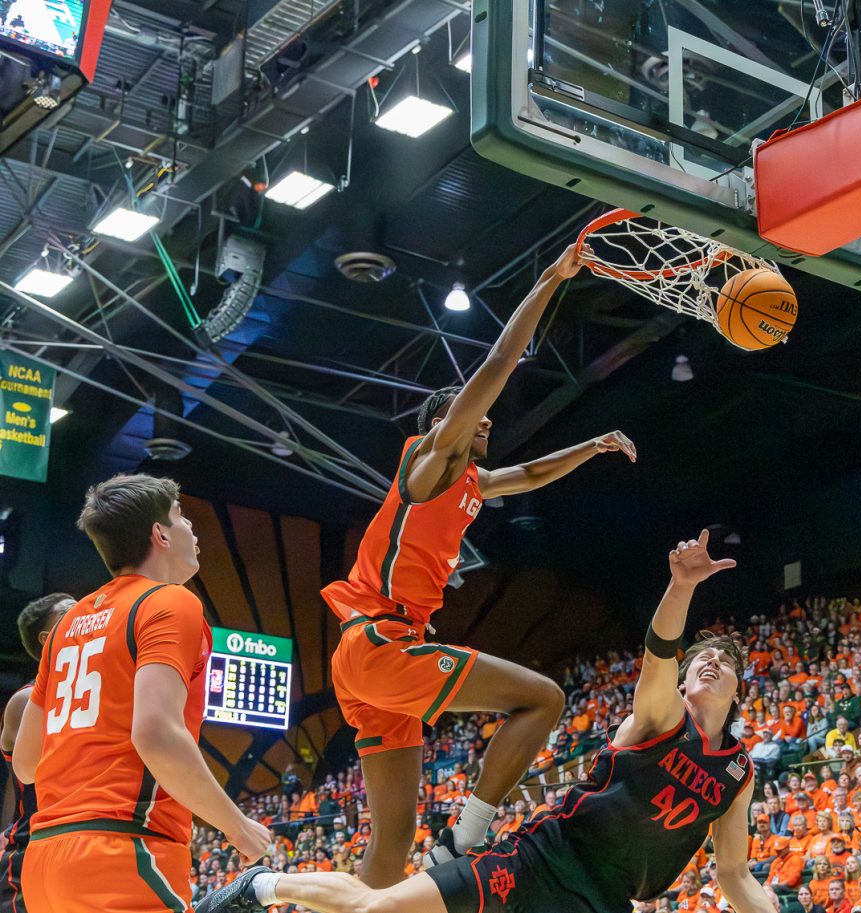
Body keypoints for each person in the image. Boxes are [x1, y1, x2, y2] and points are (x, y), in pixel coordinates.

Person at [198, 531, 779, 913]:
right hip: (539, 858)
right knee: (379, 908)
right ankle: (260, 885)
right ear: (684, 679)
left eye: (725, 662)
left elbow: (732, 871)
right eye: (702, 657)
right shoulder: (663, 717)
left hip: (603, 901)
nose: (711, 663)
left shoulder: (737, 773)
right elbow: (659, 653)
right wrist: (680, 587)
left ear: (738, 690)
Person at [319, 245, 639, 886]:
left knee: (390, 844)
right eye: (469, 411)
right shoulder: (429, 463)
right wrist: (548, 281)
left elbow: (532, 473)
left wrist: (594, 444)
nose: (485, 417)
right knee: (543, 699)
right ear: (445, 422)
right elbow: (497, 363)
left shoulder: (471, 481)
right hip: (379, 643)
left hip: (369, 654)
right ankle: (465, 838)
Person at [12, 474, 272, 913]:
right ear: (161, 534)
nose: (191, 527)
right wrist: (238, 826)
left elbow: (26, 763)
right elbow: (155, 734)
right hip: (124, 851)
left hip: (45, 861)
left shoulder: (67, 626)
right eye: (181, 515)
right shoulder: (170, 603)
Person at [0, 593, 74, 913]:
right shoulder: (26, 700)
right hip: (30, 854)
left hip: (78, 847)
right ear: (49, 639)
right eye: (70, 612)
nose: (82, 615)